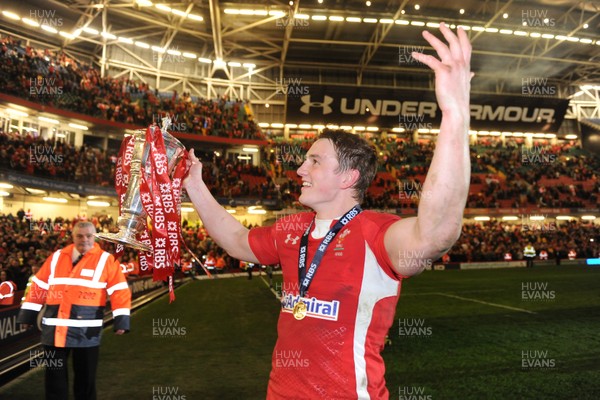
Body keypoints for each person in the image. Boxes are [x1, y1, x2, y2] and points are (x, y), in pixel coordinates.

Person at [184, 23, 471, 399]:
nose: (300, 170)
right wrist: (194, 186)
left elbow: (438, 232)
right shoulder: (291, 229)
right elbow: (238, 241)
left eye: (314, 162)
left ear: (348, 177)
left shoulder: (377, 233)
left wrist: (455, 114)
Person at [17, 221, 131, 400]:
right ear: (72, 237)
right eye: (79, 236)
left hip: (86, 333)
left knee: (85, 382)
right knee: (54, 381)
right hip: (54, 332)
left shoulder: (106, 260)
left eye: (88, 236)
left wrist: (121, 320)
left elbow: (119, 291)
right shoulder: (56, 257)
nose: (84, 239)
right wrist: (27, 315)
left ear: (95, 237)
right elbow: (38, 285)